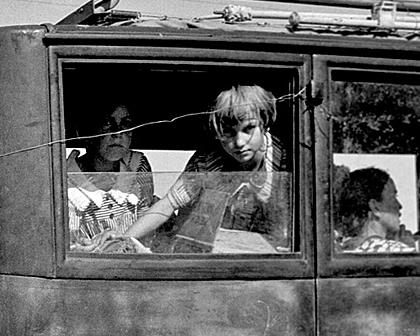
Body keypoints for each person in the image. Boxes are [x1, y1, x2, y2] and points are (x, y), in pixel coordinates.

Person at [123, 84, 289, 253]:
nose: (239, 142)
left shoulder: (286, 160)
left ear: (265, 123)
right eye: (228, 132)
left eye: (248, 129)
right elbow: (167, 205)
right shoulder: (206, 162)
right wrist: (122, 241)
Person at [67, 101, 155, 247]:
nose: (117, 133)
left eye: (126, 124)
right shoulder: (66, 180)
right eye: (107, 123)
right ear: (84, 132)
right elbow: (66, 246)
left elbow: (148, 227)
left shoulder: (137, 167)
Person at [336, 167, 415, 253]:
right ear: (375, 207)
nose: (399, 206)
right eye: (393, 197)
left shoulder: (341, 251)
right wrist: (409, 250)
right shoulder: (396, 250)